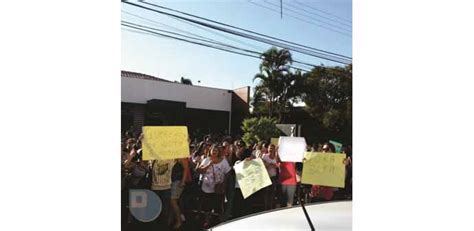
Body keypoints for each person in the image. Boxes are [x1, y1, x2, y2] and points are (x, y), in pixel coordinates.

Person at [196, 144, 231, 228]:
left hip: (218, 188)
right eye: (213, 150)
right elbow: (199, 170)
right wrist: (209, 164)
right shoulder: (206, 160)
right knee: (207, 206)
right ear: (210, 151)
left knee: (218, 205)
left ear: (218, 152)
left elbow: (228, 172)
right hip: (206, 188)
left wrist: (224, 183)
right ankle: (207, 221)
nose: (214, 152)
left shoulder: (223, 161)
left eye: (216, 150)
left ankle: (219, 222)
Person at [151, 158, 176, 230]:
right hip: (155, 188)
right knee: (155, 211)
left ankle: (163, 228)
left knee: (164, 211)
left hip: (166, 188)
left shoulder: (171, 159)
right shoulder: (153, 159)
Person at [169, 157, 190, 229]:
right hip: (172, 180)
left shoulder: (181, 155)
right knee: (173, 201)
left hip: (178, 181)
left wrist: (183, 181)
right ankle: (173, 219)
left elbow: (186, 168)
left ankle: (179, 221)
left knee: (173, 201)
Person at [262, 144, 278, 210]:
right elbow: (262, 165)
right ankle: (265, 207)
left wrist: (271, 164)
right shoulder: (264, 156)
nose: (270, 150)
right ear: (267, 149)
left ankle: (270, 207)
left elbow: (277, 165)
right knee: (266, 192)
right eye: (269, 148)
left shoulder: (276, 157)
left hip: (273, 177)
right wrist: (269, 165)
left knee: (272, 192)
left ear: (274, 149)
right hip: (266, 177)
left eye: (272, 148)